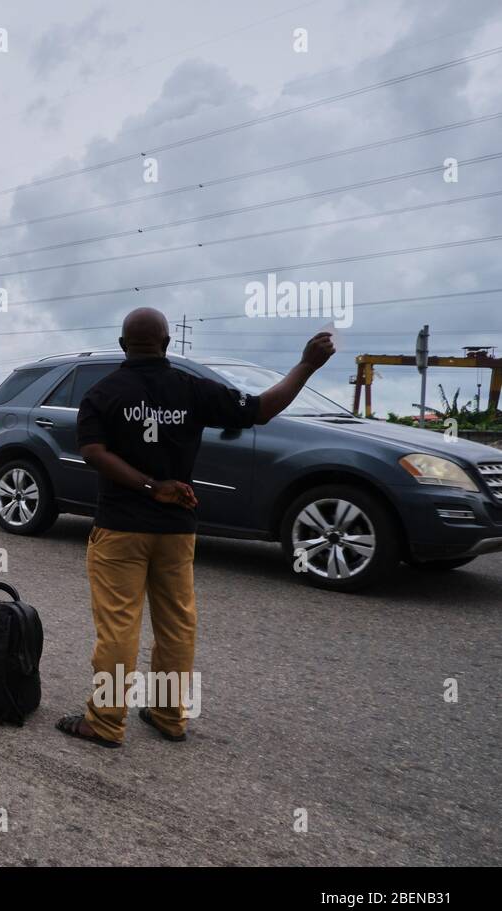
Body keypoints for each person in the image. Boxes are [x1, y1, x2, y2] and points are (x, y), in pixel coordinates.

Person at [58, 307, 335, 748]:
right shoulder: (192, 388)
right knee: (176, 625)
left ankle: (106, 722)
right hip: (176, 530)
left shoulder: (102, 392)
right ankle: (169, 715)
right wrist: (306, 365)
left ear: (123, 345)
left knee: (118, 628)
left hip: (120, 528)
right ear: (167, 344)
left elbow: (93, 452)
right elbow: (262, 409)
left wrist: (150, 487)